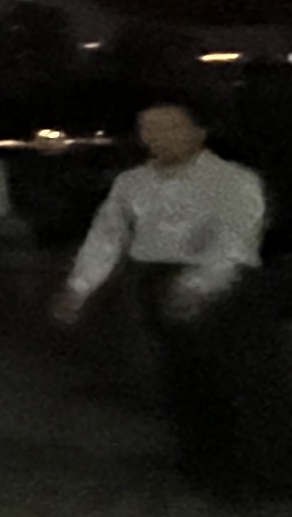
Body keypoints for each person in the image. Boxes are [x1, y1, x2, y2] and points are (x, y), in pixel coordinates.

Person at [51, 99, 268, 480]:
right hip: (153, 277)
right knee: (174, 376)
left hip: (222, 285)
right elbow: (107, 236)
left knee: (223, 378)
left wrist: (198, 286)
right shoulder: (132, 183)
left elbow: (233, 241)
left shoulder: (231, 180)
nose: (157, 138)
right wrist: (79, 288)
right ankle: (194, 463)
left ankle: (235, 472)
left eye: (169, 128)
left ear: (198, 132)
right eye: (149, 129)